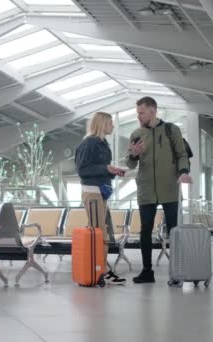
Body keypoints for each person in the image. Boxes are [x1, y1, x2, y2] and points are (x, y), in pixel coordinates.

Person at [126, 97, 192, 284]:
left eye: (141, 112)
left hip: (170, 188)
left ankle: (177, 271)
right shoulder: (137, 134)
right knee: (145, 230)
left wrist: (184, 172)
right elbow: (130, 163)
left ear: (153, 111)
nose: (138, 116)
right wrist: (133, 155)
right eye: (137, 112)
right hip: (146, 189)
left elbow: (182, 155)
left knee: (174, 231)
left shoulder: (172, 130)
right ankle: (147, 271)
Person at [75, 111, 127, 285]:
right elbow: (83, 170)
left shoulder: (103, 144)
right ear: (102, 124)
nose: (113, 126)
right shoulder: (88, 144)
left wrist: (113, 171)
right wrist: (106, 168)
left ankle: (101, 268)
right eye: (110, 123)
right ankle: (100, 271)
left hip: (101, 192)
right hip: (92, 192)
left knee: (101, 232)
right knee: (99, 233)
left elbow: (101, 169)